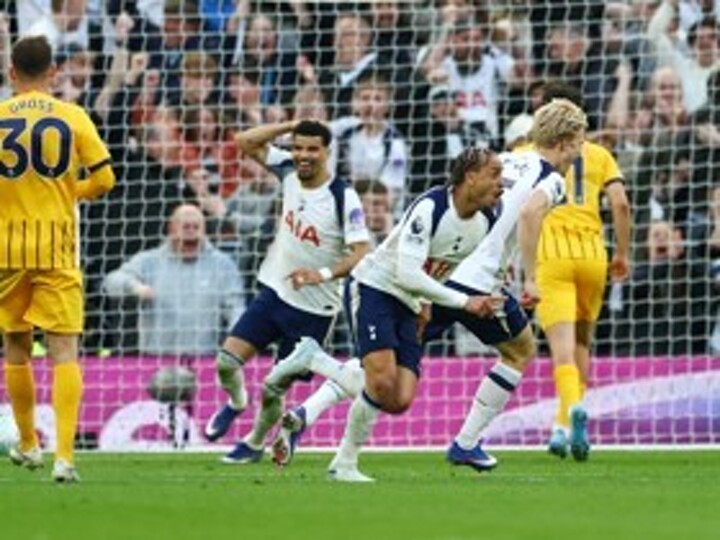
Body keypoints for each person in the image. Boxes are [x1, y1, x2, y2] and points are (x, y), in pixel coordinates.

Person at [267, 99, 587, 479]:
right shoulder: (552, 178)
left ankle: (307, 412)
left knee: (383, 372)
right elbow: (531, 212)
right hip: (471, 283)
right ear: (566, 142)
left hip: (438, 276)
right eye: (579, 143)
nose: (579, 152)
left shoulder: (507, 159)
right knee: (520, 350)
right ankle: (466, 442)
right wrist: (530, 278)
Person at [269, 144, 509, 480]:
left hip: (410, 301)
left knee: (399, 399)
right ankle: (344, 464)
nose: (501, 182)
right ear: (470, 177)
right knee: (380, 381)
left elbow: (445, 263)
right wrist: (463, 302)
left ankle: (314, 361)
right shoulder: (431, 207)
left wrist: (426, 303)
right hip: (375, 287)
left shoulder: (486, 220)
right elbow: (407, 273)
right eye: (494, 174)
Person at [203, 120, 372, 463]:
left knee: (272, 389)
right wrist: (292, 125)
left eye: (312, 149)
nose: (303, 155)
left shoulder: (343, 197)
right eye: (298, 147)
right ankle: (236, 402)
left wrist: (321, 274)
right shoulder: (288, 170)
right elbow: (244, 140)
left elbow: (360, 252)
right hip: (275, 292)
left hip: (314, 310)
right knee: (225, 362)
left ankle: (253, 443)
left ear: (327, 152)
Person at [0, 36, 115, 482]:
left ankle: (29, 444)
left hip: (6, 250)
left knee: (16, 347)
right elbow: (105, 179)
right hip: (57, 248)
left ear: (12, 73)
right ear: (53, 72)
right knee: (64, 350)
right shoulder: (72, 116)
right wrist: (71, 192)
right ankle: (64, 458)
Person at [526, 83, 631, 461]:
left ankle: (570, 411)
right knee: (583, 343)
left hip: (552, 256)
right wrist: (622, 253)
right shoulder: (600, 154)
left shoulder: (529, 152)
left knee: (562, 350)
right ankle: (563, 425)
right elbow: (620, 203)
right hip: (593, 256)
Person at [102, 204, 244, 356]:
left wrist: (238, 343)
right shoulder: (149, 261)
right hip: (155, 358)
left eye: (196, 227)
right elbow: (110, 281)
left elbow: (236, 308)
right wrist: (135, 287)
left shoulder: (222, 265)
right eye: (186, 226)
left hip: (204, 358)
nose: (191, 231)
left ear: (204, 231)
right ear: (171, 229)